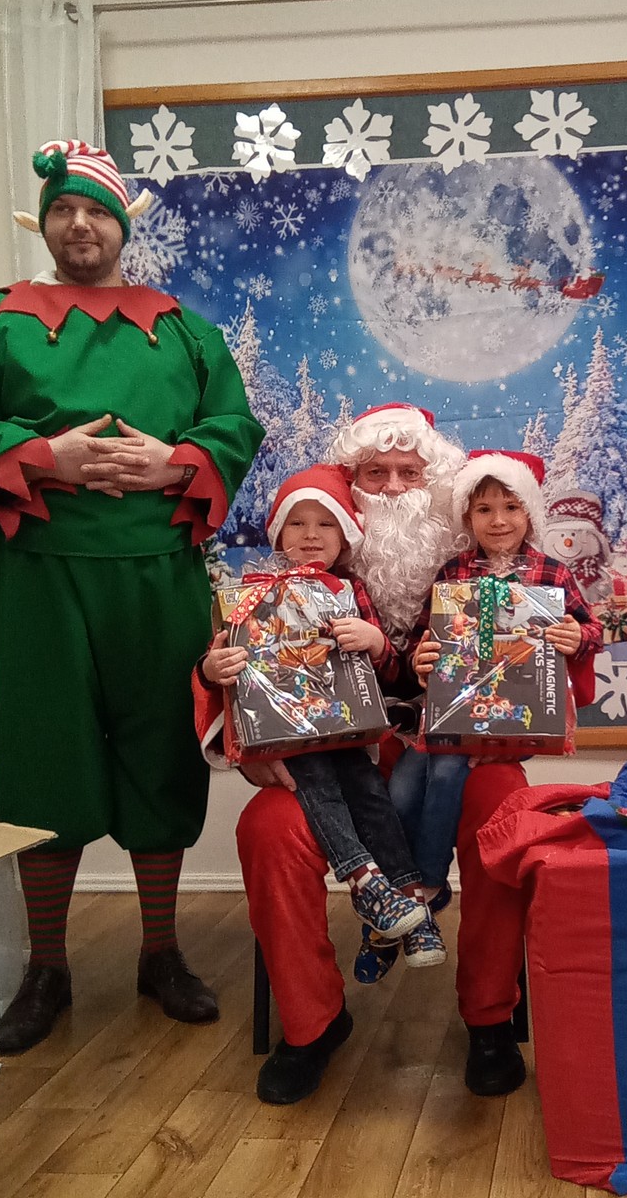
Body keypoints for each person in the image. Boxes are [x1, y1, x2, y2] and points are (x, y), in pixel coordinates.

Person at [0, 140, 263, 1054]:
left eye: (98, 210)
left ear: (122, 225)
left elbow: (233, 423)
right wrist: (45, 457)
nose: (81, 225)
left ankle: (160, 951)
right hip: (42, 575)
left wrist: (174, 462)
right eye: (64, 209)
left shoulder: (182, 328)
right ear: (44, 222)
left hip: (161, 570)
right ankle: (47, 966)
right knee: (47, 754)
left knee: (163, 749)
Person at [233, 404, 547, 1103]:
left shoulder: (479, 562)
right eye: (376, 475)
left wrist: (500, 714)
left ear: (438, 485)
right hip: (341, 755)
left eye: (411, 474)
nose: (396, 490)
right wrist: (249, 748)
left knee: (506, 809)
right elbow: (238, 674)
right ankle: (313, 1022)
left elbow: (549, 671)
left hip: (461, 750)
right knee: (269, 829)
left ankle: (489, 1015)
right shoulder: (304, 569)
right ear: (350, 489)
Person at [196, 464, 442, 959]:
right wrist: (210, 668)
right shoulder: (251, 594)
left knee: (370, 795)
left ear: (345, 534)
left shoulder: (351, 593)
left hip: (350, 732)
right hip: (287, 734)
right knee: (318, 789)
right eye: (298, 523)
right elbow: (219, 664)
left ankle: (411, 900)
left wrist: (375, 642)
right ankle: (365, 882)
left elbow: (392, 673)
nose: (311, 535)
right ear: (278, 532)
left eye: (326, 523)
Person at [404, 450, 602, 907]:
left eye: (511, 507)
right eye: (484, 509)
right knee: (401, 788)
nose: (498, 521)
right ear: (468, 518)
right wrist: (422, 658)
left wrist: (577, 636)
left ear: (529, 513)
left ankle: (429, 882)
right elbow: (422, 636)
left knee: (447, 771)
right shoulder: (453, 573)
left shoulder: (551, 573)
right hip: (455, 711)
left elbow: (592, 630)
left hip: (520, 716)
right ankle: (403, 874)